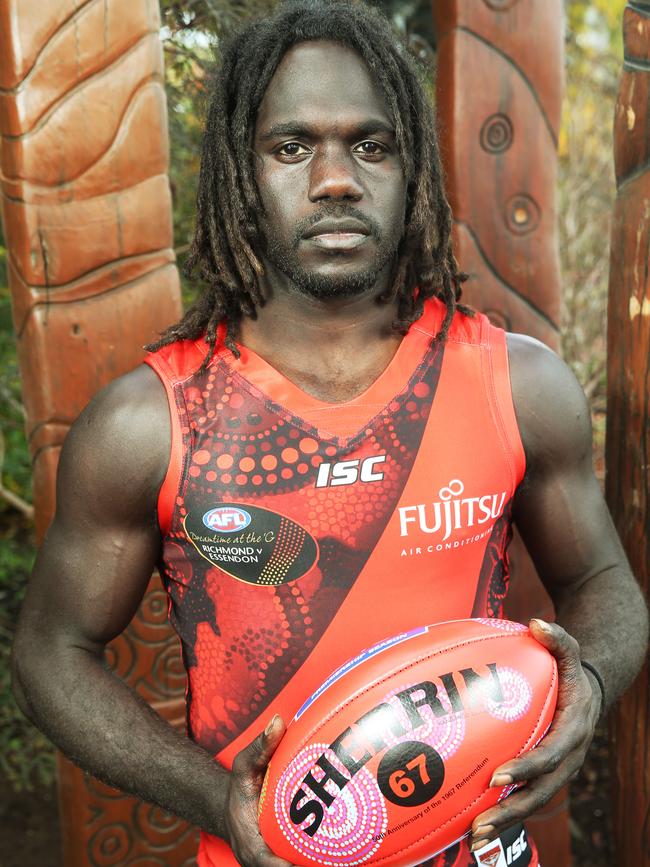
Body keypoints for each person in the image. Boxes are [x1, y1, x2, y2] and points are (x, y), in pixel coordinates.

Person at [12, 2, 648, 866]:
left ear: (412, 165)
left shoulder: (518, 383)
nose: (336, 178)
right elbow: (51, 650)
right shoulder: (149, 422)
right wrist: (215, 797)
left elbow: (605, 578)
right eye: (291, 147)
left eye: (370, 145)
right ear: (242, 169)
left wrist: (591, 681)